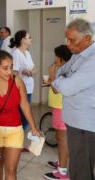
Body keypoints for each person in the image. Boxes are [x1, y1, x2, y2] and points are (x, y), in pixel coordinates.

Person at [0, 50, 40, 180]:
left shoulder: (17, 81)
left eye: (11, 67)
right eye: (5, 68)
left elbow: (25, 105)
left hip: (15, 130)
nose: (9, 71)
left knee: (11, 170)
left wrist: (34, 127)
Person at [51, 18, 95, 180]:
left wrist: (61, 81)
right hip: (75, 121)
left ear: (87, 39)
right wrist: (64, 79)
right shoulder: (79, 54)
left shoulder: (92, 59)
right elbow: (62, 70)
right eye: (66, 39)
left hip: (84, 125)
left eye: (72, 40)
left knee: (80, 171)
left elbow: (66, 87)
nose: (68, 44)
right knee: (78, 168)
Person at [43, 45, 72, 180]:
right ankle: (61, 163)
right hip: (58, 107)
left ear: (61, 58)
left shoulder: (66, 71)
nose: (54, 58)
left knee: (62, 139)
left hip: (61, 107)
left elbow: (56, 89)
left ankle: (62, 172)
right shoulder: (63, 69)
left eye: (56, 56)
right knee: (61, 138)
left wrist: (52, 72)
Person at [10, 30, 35, 130]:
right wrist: (23, 72)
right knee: (23, 113)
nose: (30, 39)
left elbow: (34, 68)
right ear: (22, 40)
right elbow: (14, 72)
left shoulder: (27, 53)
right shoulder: (16, 53)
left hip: (29, 86)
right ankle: (19, 133)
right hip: (20, 88)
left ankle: (20, 132)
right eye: (29, 37)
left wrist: (30, 72)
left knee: (25, 112)